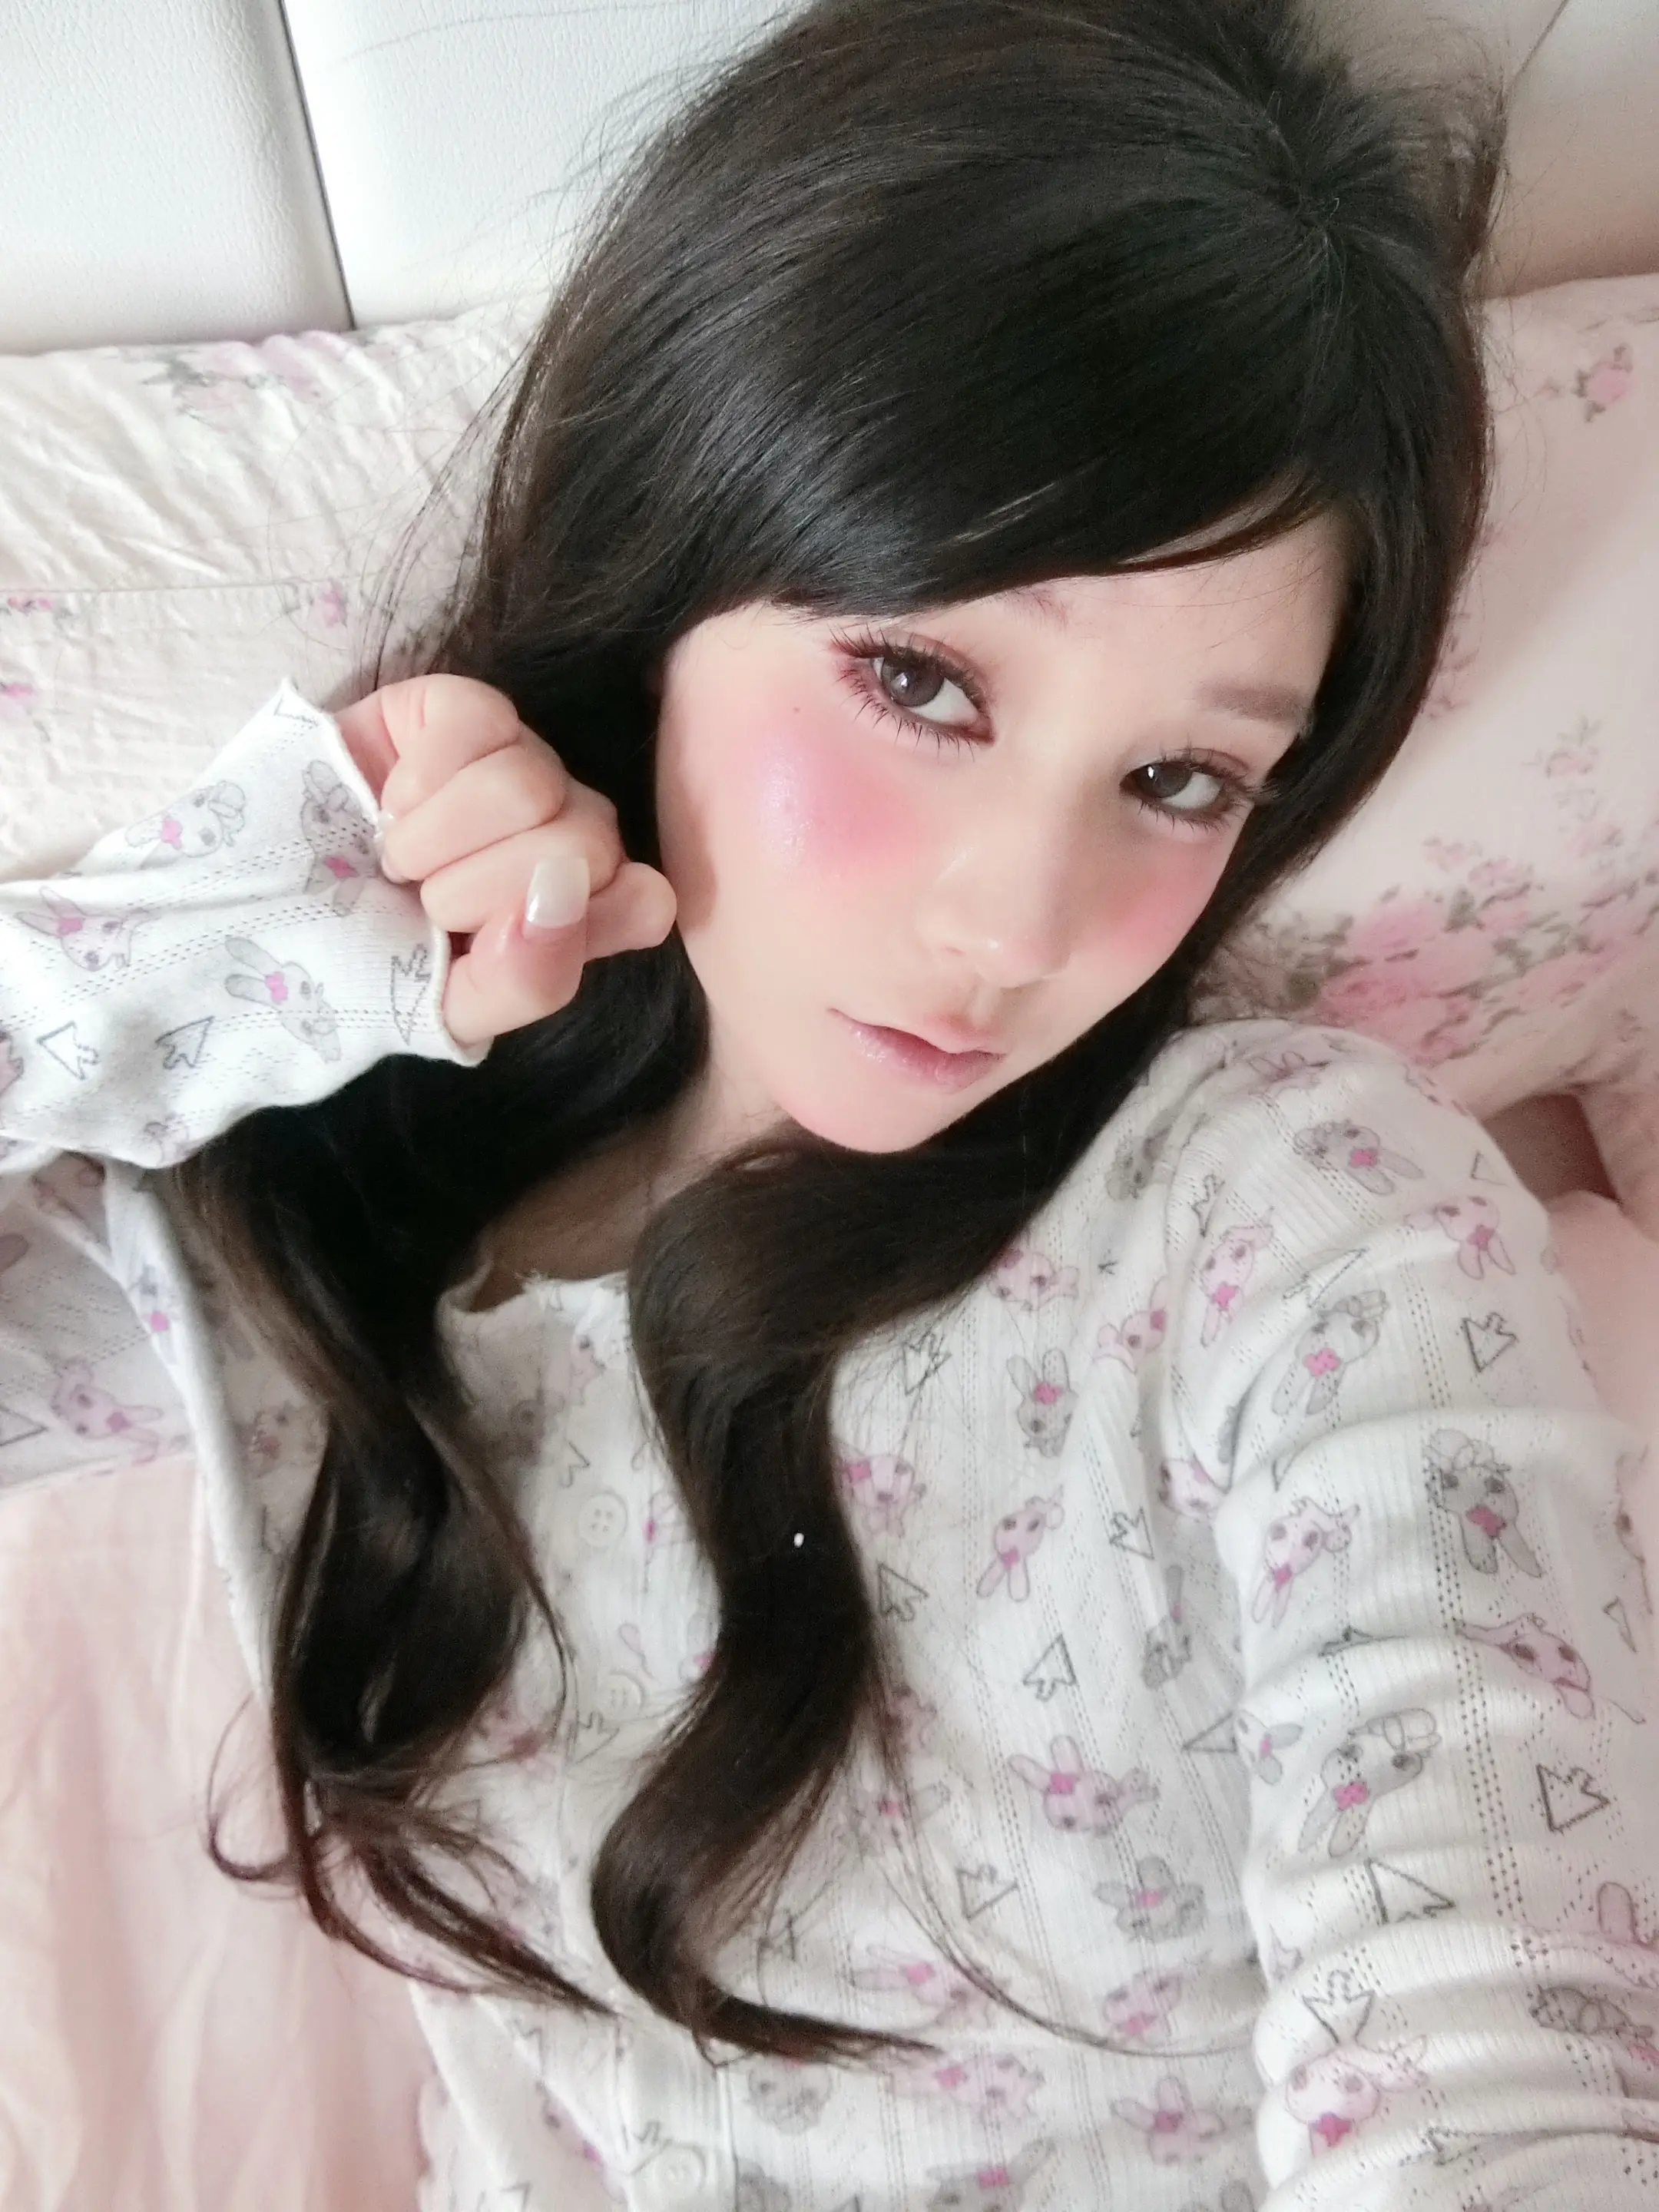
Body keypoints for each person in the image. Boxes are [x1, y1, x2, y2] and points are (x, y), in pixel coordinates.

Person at [4, 0, 1657, 2203]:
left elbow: (1497, 2048)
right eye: (919, 679)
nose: (1018, 922)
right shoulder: (317, 1195)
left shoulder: (1301, 1230)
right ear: (669, 570)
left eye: (1181, 779)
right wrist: (199, 945)